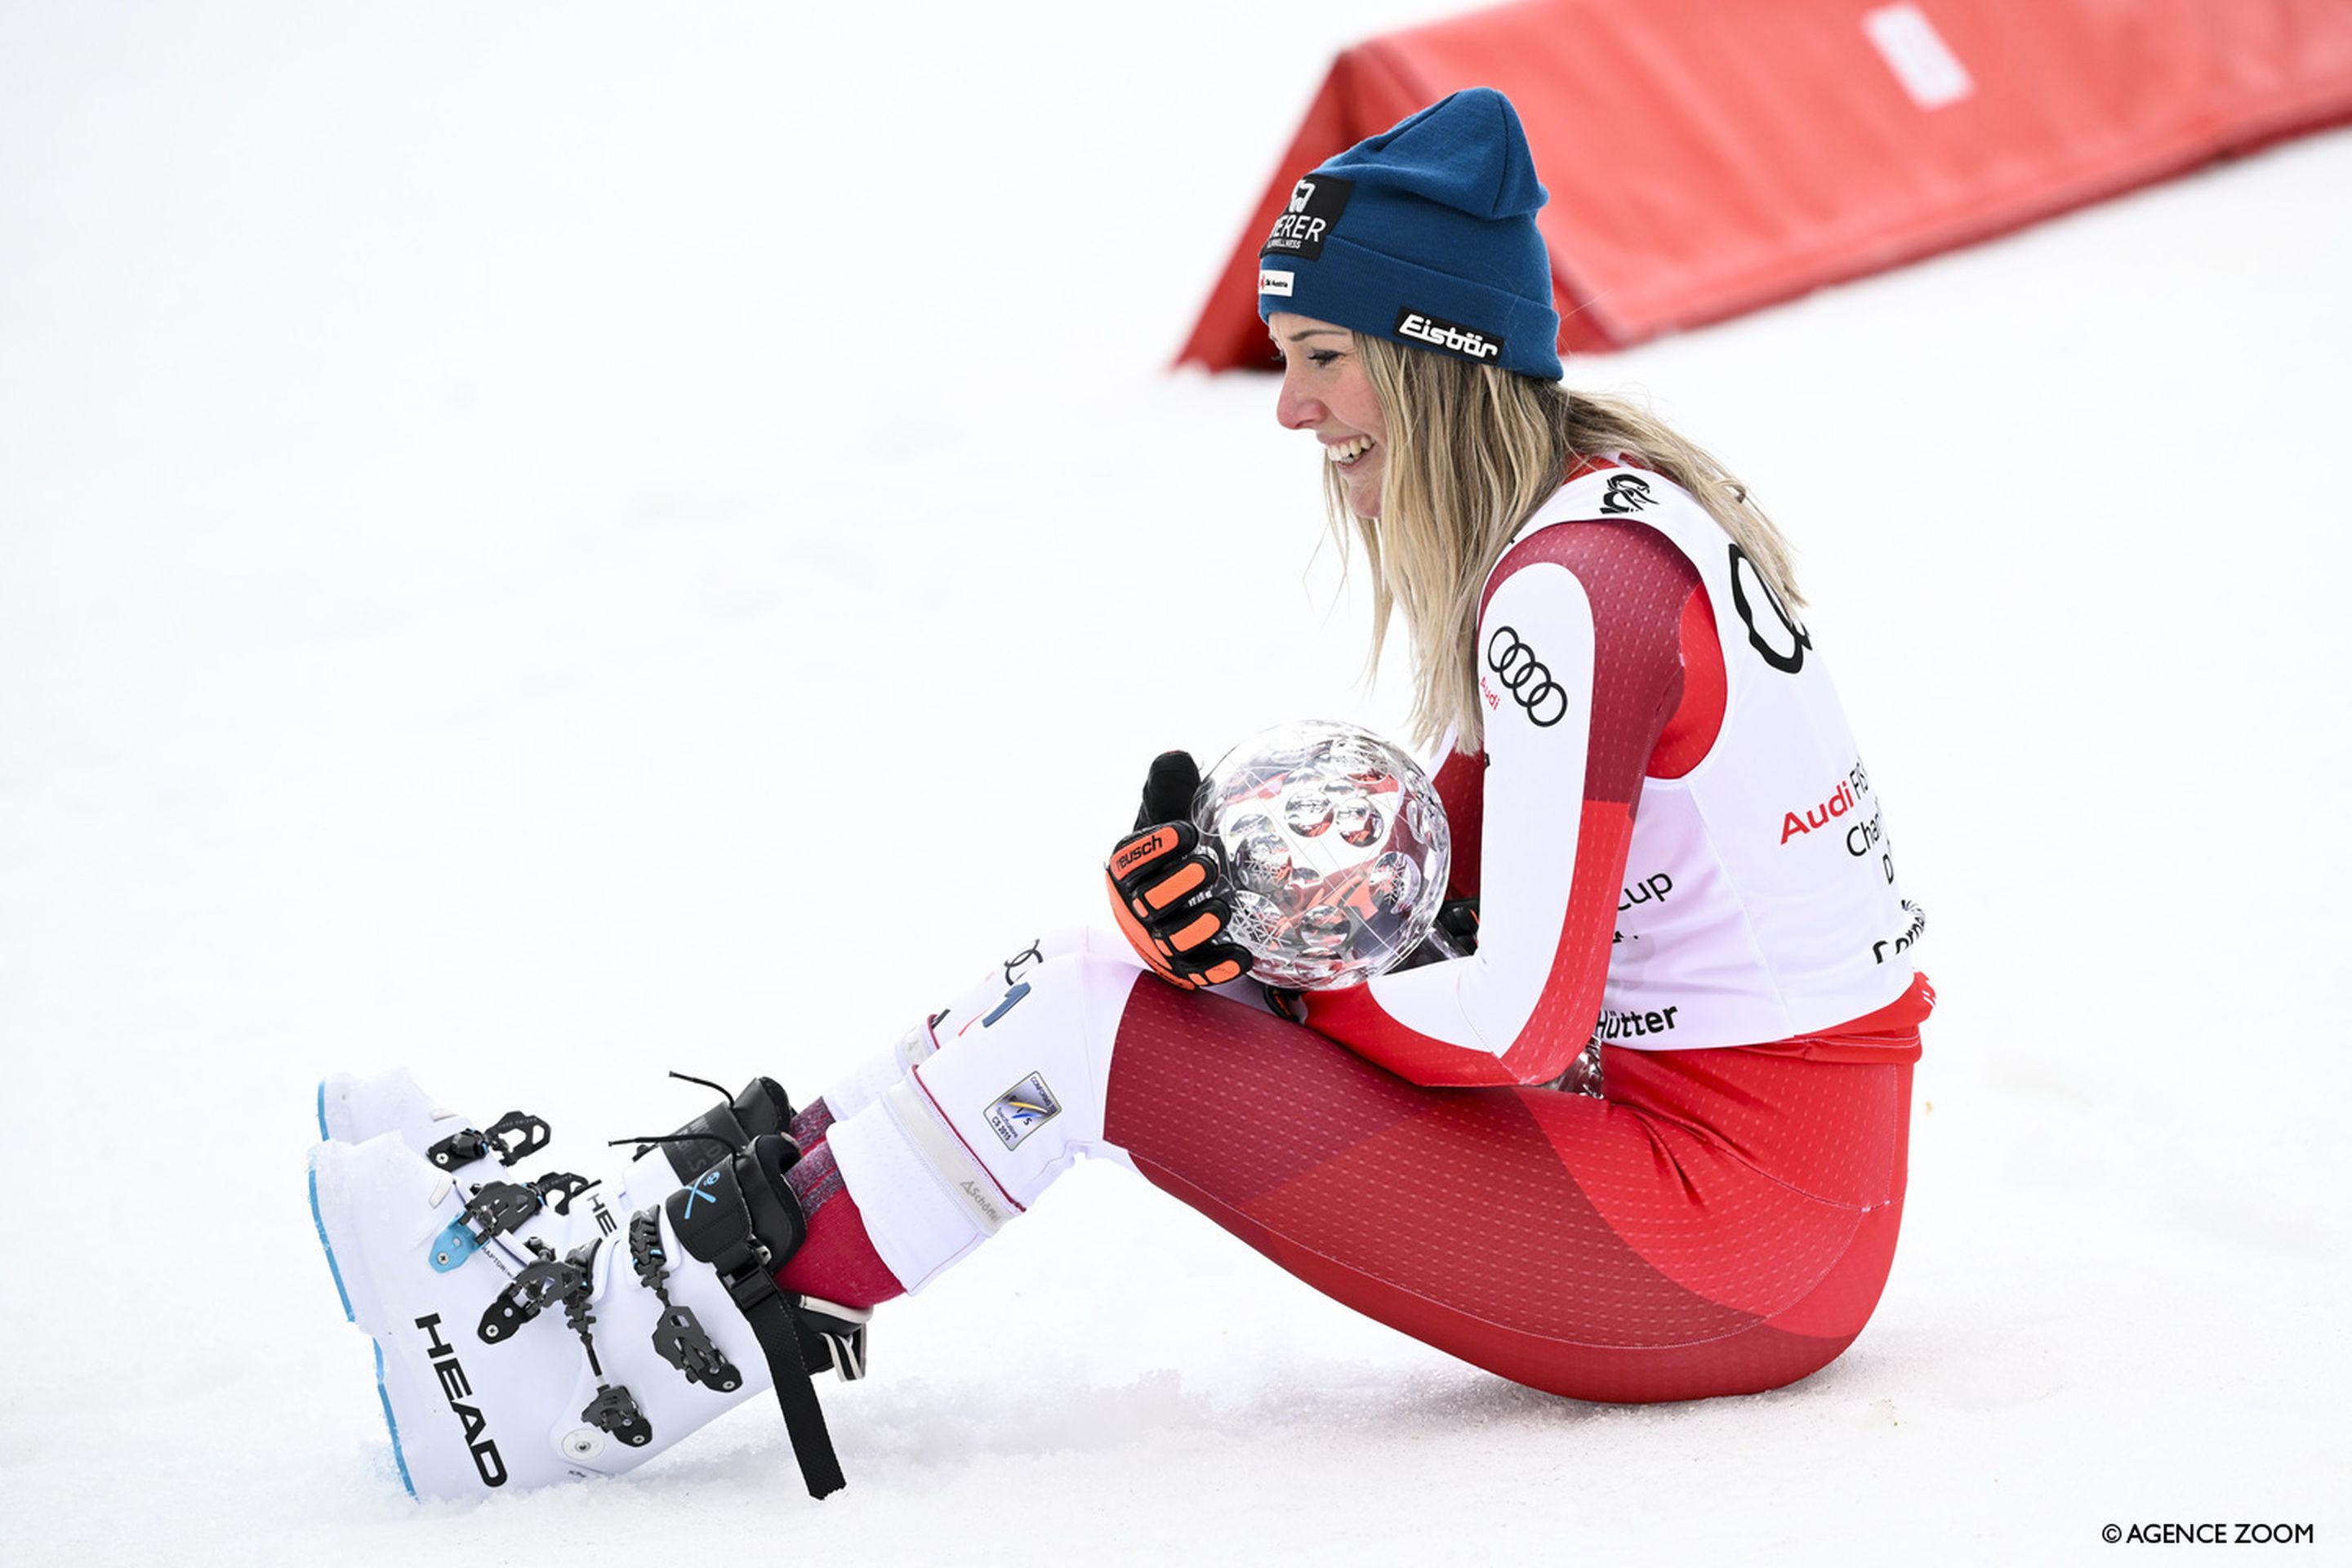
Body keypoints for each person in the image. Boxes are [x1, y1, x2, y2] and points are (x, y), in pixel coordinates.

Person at [306, 87, 1931, 1503]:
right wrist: (1237, 918)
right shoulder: (1596, 530)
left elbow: (1511, 1015)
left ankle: (559, 1390)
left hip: (1738, 1243)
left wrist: (1250, 976)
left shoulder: (1576, 585)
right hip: (1745, 1197)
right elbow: (1461, 899)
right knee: (1081, 981)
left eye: (1321, 358)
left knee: (1096, 1028)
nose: (1289, 407)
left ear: (1433, 359)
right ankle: (599, 1263)